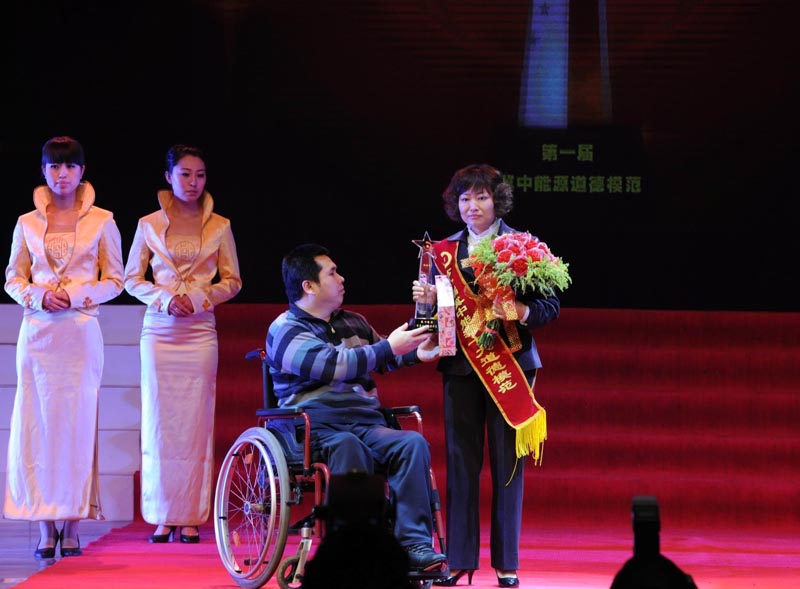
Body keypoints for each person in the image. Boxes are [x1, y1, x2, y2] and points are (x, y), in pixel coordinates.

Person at [412, 164, 561, 587]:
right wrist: (427, 302)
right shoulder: (442, 252)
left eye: (481, 197)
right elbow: (433, 320)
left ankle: (506, 563)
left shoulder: (522, 245)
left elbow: (549, 307)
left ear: (497, 201)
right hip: (461, 366)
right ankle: (459, 560)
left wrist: (519, 310)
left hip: (511, 366)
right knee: (461, 462)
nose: (472, 206)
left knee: (508, 466)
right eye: (464, 198)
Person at [267, 243, 447, 573]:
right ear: (309, 286)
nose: (342, 279)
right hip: (315, 427)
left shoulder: (353, 322)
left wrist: (418, 351)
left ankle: (414, 545)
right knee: (349, 446)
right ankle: (355, 550)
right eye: (332, 273)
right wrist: (388, 347)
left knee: (411, 443)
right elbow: (335, 365)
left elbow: (385, 357)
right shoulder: (285, 329)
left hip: (365, 422)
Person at [3, 136, 125, 559]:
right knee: (36, 426)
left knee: (76, 426)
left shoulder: (103, 221)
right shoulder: (26, 223)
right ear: (43, 171)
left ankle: (71, 524)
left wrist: (74, 296)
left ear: (82, 171)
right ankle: (43, 524)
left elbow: (116, 280)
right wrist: (39, 296)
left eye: (70, 166)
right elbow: (13, 278)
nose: (62, 174)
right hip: (38, 335)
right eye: (54, 166)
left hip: (79, 332)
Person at [124, 144, 242, 544]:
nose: (193, 182)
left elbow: (232, 280)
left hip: (198, 331)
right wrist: (163, 299)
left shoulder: (220, 225)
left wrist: (198, 298)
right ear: (169, 177)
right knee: (159, 421)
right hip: (159, 331)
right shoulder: (148, 224)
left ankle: (190, 515)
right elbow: (132, 278)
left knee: (195, 422)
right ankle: (162, 514)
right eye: (186, 174)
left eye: (200, 175)